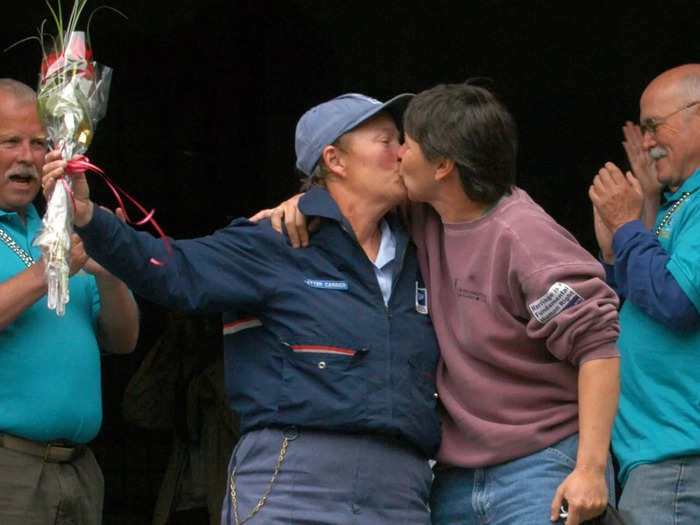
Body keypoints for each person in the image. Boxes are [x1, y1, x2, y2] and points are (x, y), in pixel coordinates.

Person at [43, 93, 442, 524]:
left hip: (401, 492)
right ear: (335, 161)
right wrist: (86, 216)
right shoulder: (274, 242)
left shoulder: (431, 249)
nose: (404, 152)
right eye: (387, 141)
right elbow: (173, 269)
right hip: (295, 483)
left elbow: (486, 200)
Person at [261, 83, 621, 525]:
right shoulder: (424, 214)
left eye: (405, 143)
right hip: (454, 480)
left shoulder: (522, 236)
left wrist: (589, 471)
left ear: (443, 165)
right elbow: (355, 200)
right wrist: (306, 203)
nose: (396, 154)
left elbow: (598, 349)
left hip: (540, 466)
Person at [0, 78, 139, 524]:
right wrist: (48, 270)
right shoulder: (56, 248)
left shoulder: (61, 226)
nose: (27, 156)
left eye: (39, 143)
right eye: (10, 141)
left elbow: (124, 340)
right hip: (11, 470)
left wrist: (110, 266)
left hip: (79, 470)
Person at [590, 64, 700, 525]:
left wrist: (627, 226)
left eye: (654, 125)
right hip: (655, 460)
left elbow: (677, 300)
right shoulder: (681, 202)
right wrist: (621, 247)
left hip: (681, 462)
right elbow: (639, 306)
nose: (648, 140)